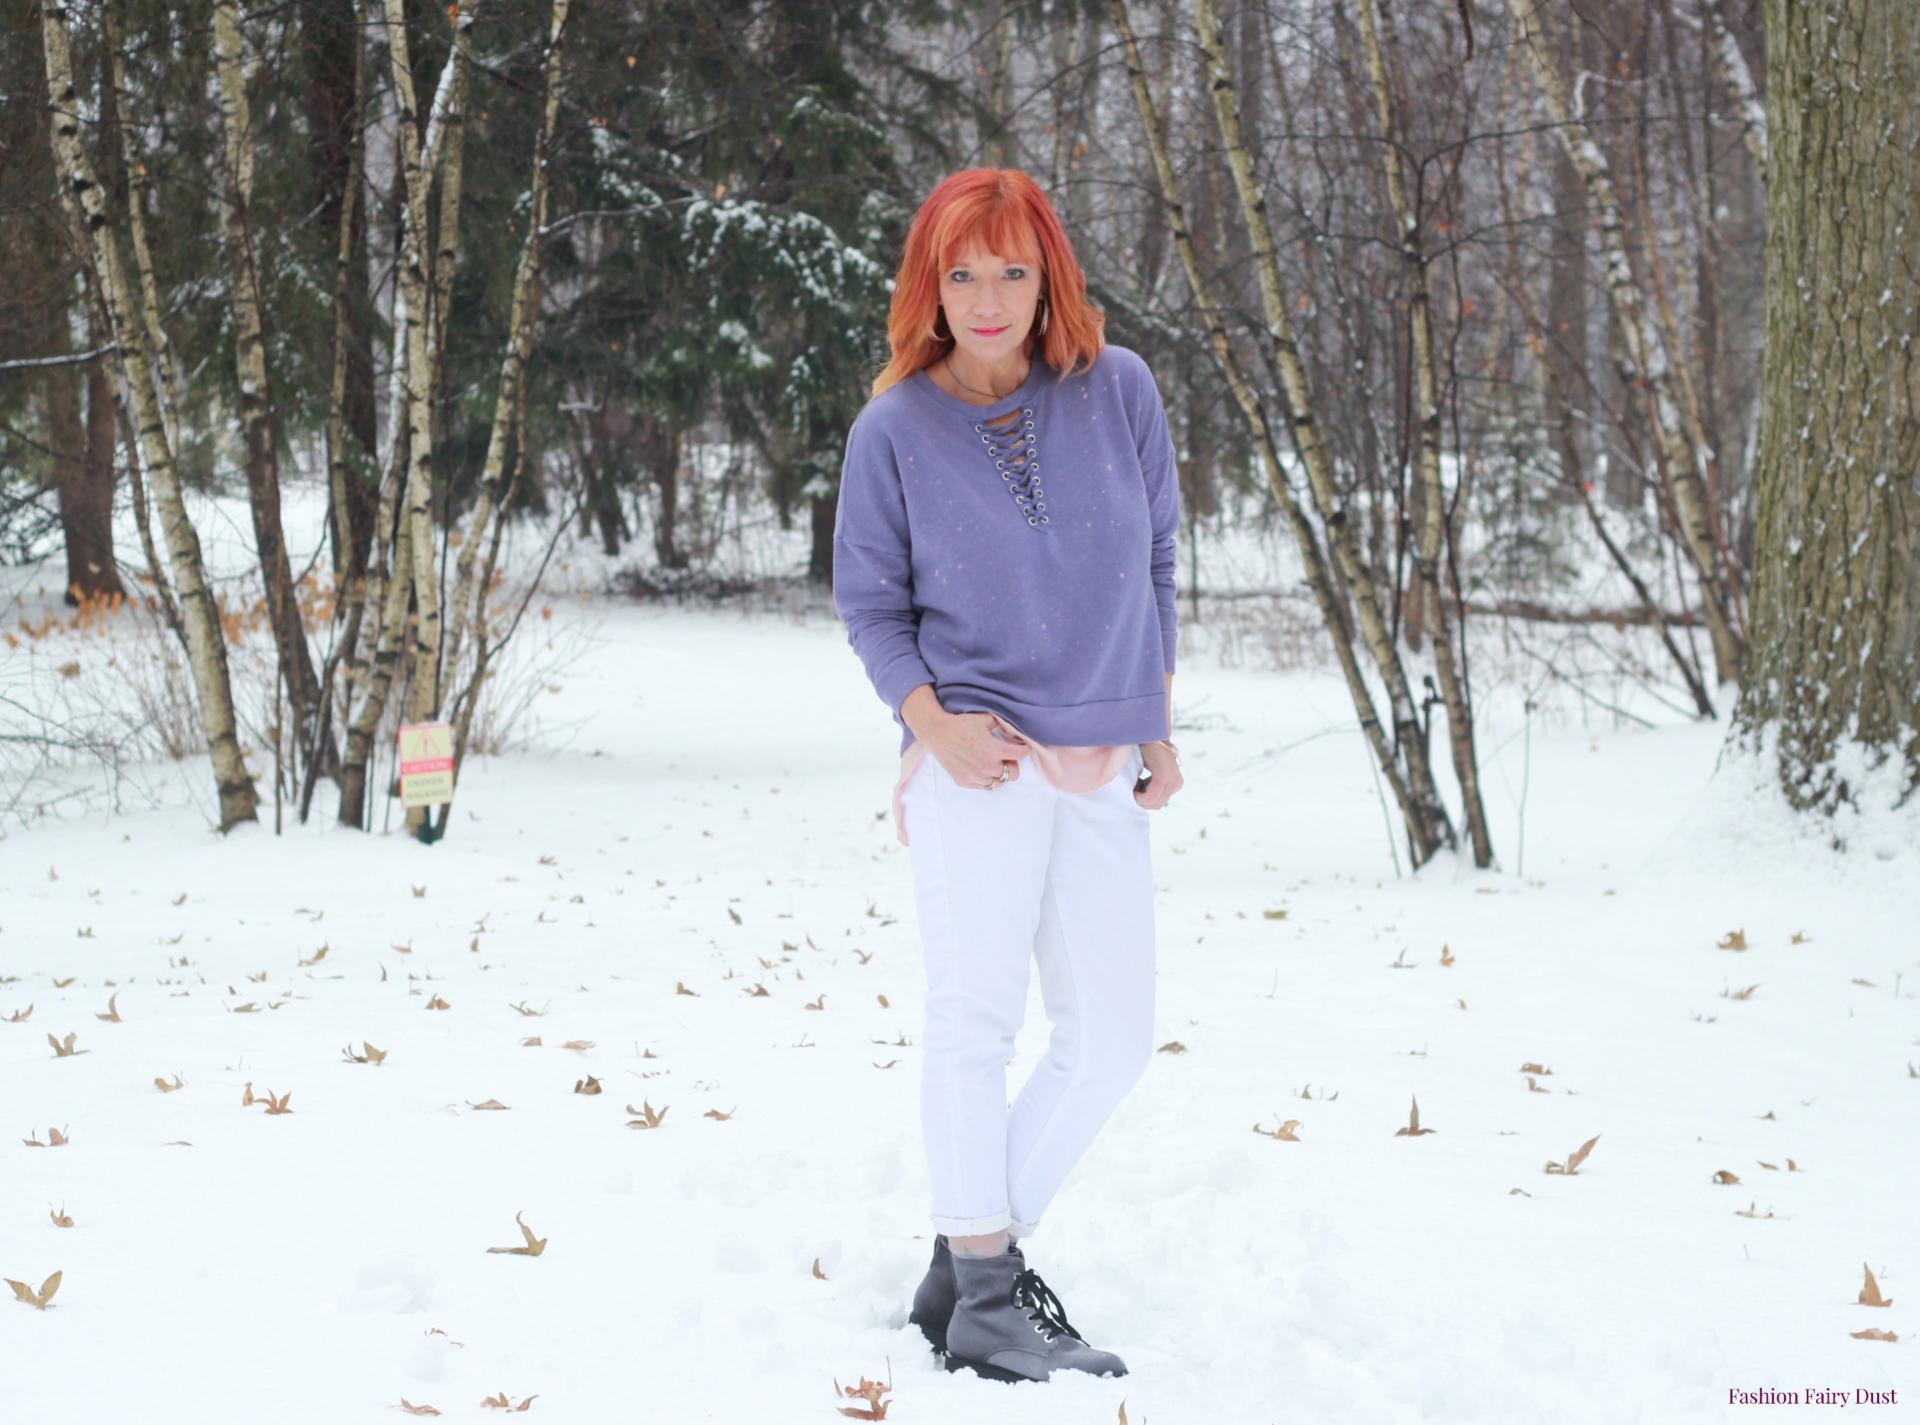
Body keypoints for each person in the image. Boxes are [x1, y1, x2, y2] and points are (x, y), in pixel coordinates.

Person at [832, 167, 1184, 1384]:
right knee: (975, 1021)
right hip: (974, 760)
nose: (988, 299)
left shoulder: (1119, 390)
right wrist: (932, 727)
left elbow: (1155, 558)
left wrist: (1157, 722)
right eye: (964, 272)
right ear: (932, 283)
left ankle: (967, 1259)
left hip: (1098, 753)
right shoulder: (892, 429)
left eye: (1013, 272)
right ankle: (987, 1286)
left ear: (1050, 281)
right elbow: (870, 606)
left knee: (1115, 1035)